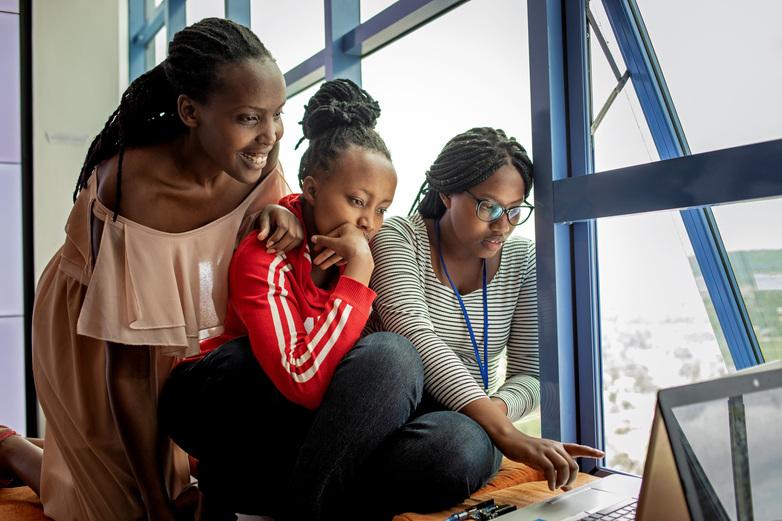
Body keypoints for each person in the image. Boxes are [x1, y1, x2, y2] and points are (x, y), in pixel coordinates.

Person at [0, 18, 304, 521]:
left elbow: (268, 275)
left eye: (277, 115)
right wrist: (156, 508)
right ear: (190, 111)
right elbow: (127, 372)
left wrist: (286, 212)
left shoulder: (258, 168)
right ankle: (10, 447)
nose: (269, 136)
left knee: (178, 479)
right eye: (249, 118)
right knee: (109, 507)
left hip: (183, 329)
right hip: (90, 329)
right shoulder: (129, 186)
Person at [158, 78, 427, 521]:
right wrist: (358, 274)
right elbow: (304, 380)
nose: (368, 222)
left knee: (440, 427)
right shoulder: (271, 245)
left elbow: (368, 385)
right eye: (357, 200)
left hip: (297, 429)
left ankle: (289, 496)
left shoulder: (368, 249)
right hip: (222, 401)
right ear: (313, 189)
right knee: (259, 364)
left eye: (381, 208)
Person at [367, 127, 605, 501]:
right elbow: (413, 334)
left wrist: (493, 413)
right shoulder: (399, 236)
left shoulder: (522, 260)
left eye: (514, 211)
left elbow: (532, 375)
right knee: (392, 352)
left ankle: (356, 483)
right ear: (446, 193)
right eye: (489, 207)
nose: (502, 225)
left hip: (462, 421)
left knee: (456, 450)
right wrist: (508, 434)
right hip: (386, 411)